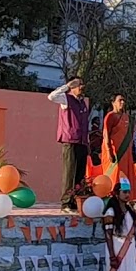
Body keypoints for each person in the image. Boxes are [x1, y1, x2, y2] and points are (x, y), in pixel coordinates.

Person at [48, 77, 90, 213]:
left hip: (82, 141)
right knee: (70, 173)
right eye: (78, 85)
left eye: (82, 84)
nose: (81, 87)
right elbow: (51, 96)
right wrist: (67, 86)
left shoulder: (83, 103)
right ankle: (66, 203)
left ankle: (75, 202)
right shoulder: (66, 99)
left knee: (80, 174)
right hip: (70, 141)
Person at [102, 95, 136, 200]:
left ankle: (126, 198)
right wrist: (109, 152)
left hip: (126, 154)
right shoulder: (110, 116)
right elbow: (106, 135)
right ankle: (111, 198)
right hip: (114, 153)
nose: (122, 102)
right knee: (114, 175)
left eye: (123, 100)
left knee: (126, 176)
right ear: (113, 102)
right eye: (119, 100)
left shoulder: (127, 117)